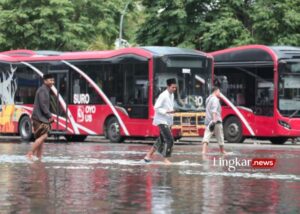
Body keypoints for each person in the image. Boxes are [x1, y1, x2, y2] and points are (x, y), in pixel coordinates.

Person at [144, 78, 177, 164]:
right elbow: (156, 107)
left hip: (167, 120)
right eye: (173, 87)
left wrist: (171, 115)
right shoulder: (163, 95)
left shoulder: (172, 95)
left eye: (175, 87)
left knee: (161, 139)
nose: (174, 89)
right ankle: (166, 159)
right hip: (161, 120)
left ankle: (148, 155)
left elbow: (169, 107)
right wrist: (167, 111)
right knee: (170, 139)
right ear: (168, 86)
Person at [26, 74, 55, 160]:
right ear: (45, 81)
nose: (52, 82)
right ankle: (30, 153)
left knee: (41, 139)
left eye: (53, 80)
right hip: (38, 118)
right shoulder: (42, 90)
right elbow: (43, 105)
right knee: (44, 136)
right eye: (50, 80)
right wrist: (50, 115)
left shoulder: (46, 90)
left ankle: (39, 158)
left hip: (40, 117)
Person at [202, 86, 226, 154]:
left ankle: (203, 151)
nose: (219, 93)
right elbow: (214, 111)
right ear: (215, 91)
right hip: (216, 121)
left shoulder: (208, 98)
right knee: (220, 136)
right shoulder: (215, 99)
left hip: (209, 121)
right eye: (219, 91)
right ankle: (222, 151)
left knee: (206, 136)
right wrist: (214, 121)